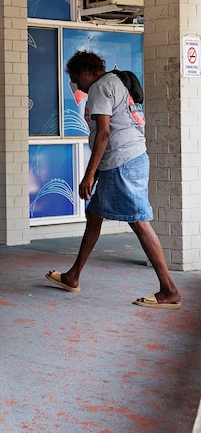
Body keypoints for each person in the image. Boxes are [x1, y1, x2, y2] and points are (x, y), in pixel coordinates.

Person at [46, 50, 181, 309]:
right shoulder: (117, 81)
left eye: (75, 79)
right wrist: (97, 171)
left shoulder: (99, 87)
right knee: (94, 216)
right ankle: (73, 276)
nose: (76, 85)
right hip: (129, 159)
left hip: (122, 162)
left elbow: (104, 133)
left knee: (140, 224)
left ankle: (169, 289)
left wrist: (89, 174)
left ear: (87, 72)